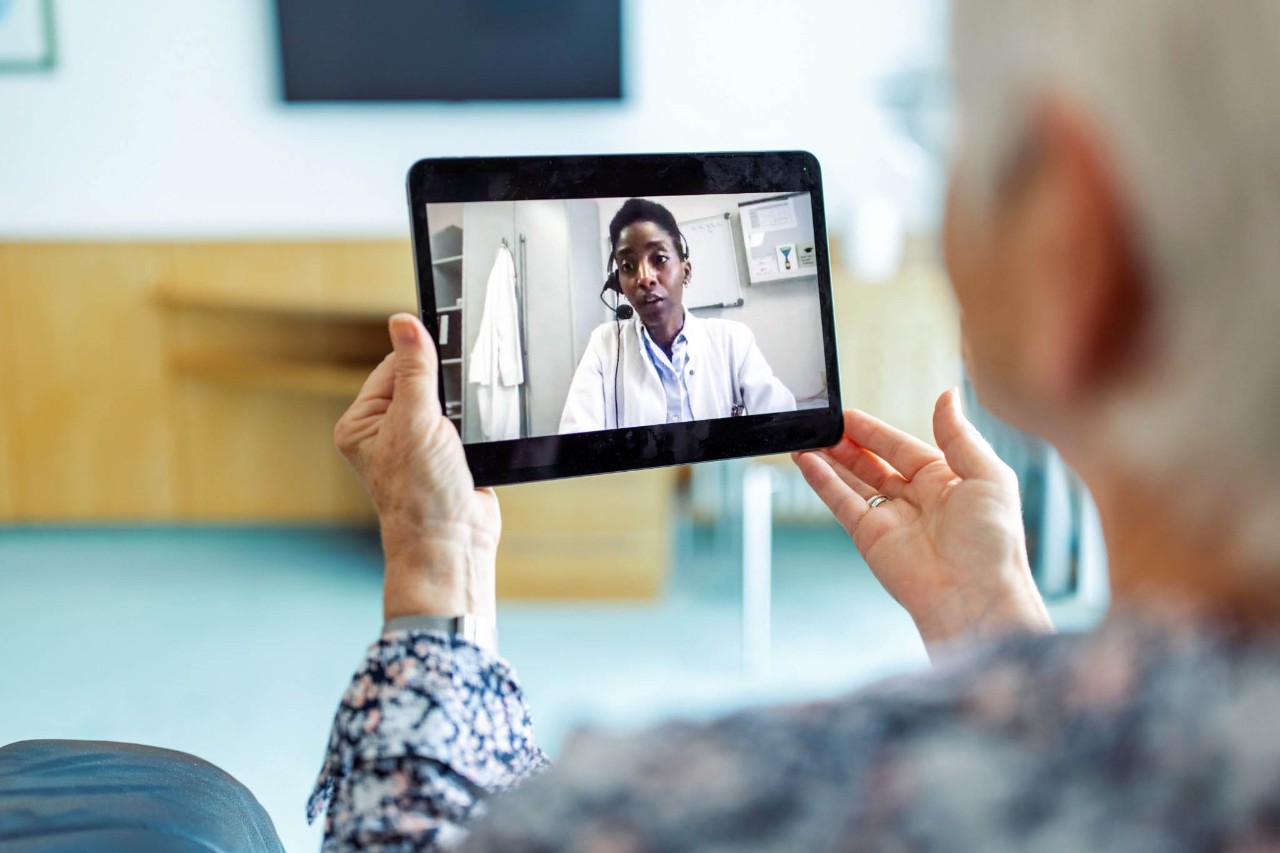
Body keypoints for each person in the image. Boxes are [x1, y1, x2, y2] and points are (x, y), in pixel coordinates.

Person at [310, 1, 1280, 849]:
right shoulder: (600, 356)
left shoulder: (680, 815)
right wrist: (988, 620)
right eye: (626, 266)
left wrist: (434, 559)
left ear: (1069, 247)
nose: (643, 279)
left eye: (957, 146)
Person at [558, 198, 796, 433]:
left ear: (686, 271)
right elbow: (576, 440)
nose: (644, 277)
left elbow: (784, 425)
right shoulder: (605, 345)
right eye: (628, 266)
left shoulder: (732, 339)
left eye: (659, 259)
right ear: (618, 284)